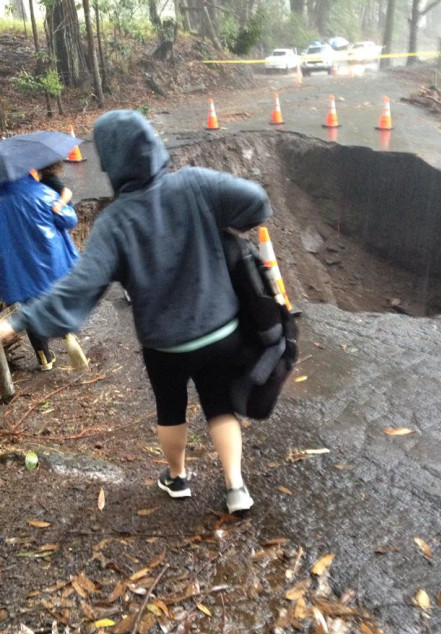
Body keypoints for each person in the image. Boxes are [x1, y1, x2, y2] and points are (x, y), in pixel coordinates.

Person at [0, 110, 272, 513]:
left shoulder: (115, 221)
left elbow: (80, 286)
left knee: (170, 408)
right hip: (219, 329)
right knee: (219, 405)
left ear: (110, 162)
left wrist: (18, 321)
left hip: (164, 343)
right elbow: (256, 205)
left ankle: (177, 479)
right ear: (153, 145)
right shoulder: (194, 184)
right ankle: (236, 489)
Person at [0, 171, 79, 370]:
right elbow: (69, 220)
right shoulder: (41, 193)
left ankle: (44, 358)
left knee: (29, 308)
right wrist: (62, 206)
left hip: (17, 269)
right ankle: (68, 334)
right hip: (50, 261)